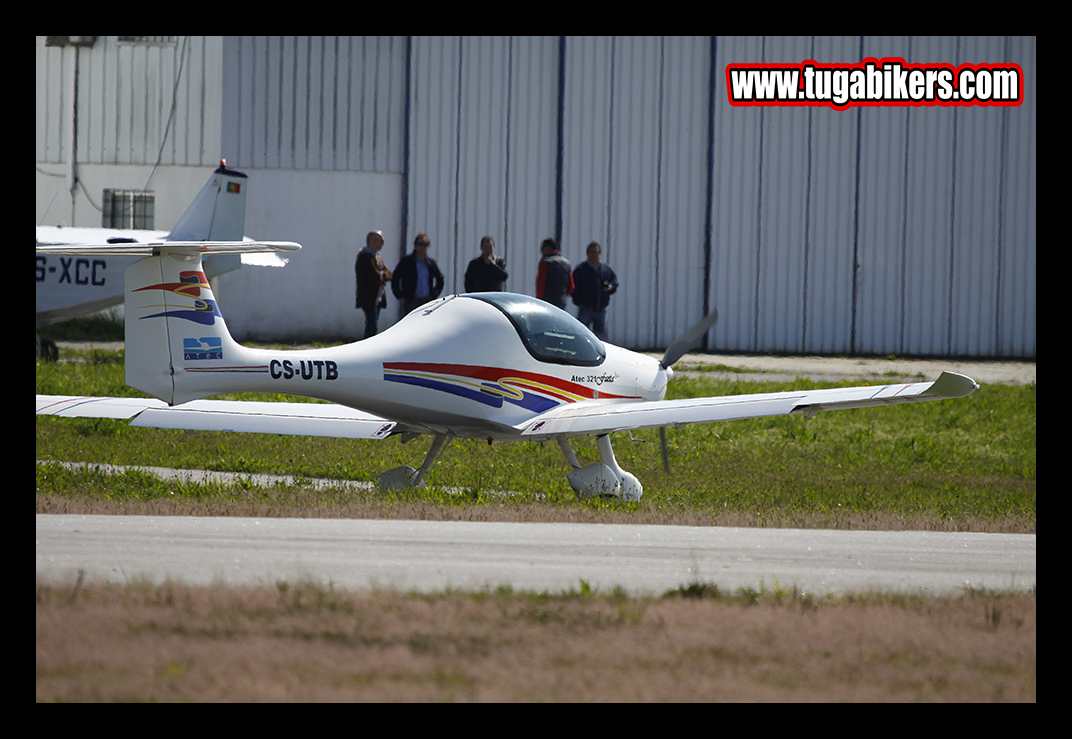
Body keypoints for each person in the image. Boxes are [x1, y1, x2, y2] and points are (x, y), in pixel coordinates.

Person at [571, 240, 618, 340]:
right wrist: (579, 301)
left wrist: (609, 288)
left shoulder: (606, 269)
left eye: (596, 252)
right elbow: (573, 286)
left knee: (600, 338)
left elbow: (614, 282)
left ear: (600, 254)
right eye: (592, 252)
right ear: (587, 254)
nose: (594, 255)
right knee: (582, 335)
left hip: (601, 310)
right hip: (585, 309)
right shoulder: (581, 269)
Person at [391, 231, 445, 315]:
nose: (422, 247)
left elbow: (440, 279)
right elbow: (395, 278)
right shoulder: (407, 261)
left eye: (425, 244)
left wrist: (434, 294)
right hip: (411, 301)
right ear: (415, 246)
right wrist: (400, 295)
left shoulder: (430, 263)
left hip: (426, 301)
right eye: (420, 244)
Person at [355, 230, 392, 339]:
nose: (382, 243)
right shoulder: (365, 257)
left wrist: (384, 275)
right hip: (368, 297)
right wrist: (382, 277)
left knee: (374, 322)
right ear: (373, 241)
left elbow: (388, 273)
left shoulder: (377, 257)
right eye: (381, 241)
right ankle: (367, 345)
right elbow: (374, 276)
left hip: (378, 297)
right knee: (371, 325)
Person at [535, 237, 573, 309]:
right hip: (561, 302)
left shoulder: (545, 262)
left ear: (548, 248)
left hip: (546, 302)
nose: (541, 251)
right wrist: (562, 296)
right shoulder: (567, 263)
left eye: (542, 248)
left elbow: (541, 283)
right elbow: (571, 286)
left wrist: (539, 300)